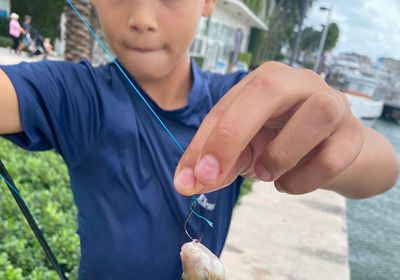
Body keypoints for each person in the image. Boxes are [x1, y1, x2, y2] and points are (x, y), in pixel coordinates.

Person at [0, 0, 398, 279]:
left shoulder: (242, 104)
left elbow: (384, 169)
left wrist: (333, 130)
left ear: (208, 2)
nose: (141, 17)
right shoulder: (71, 93)